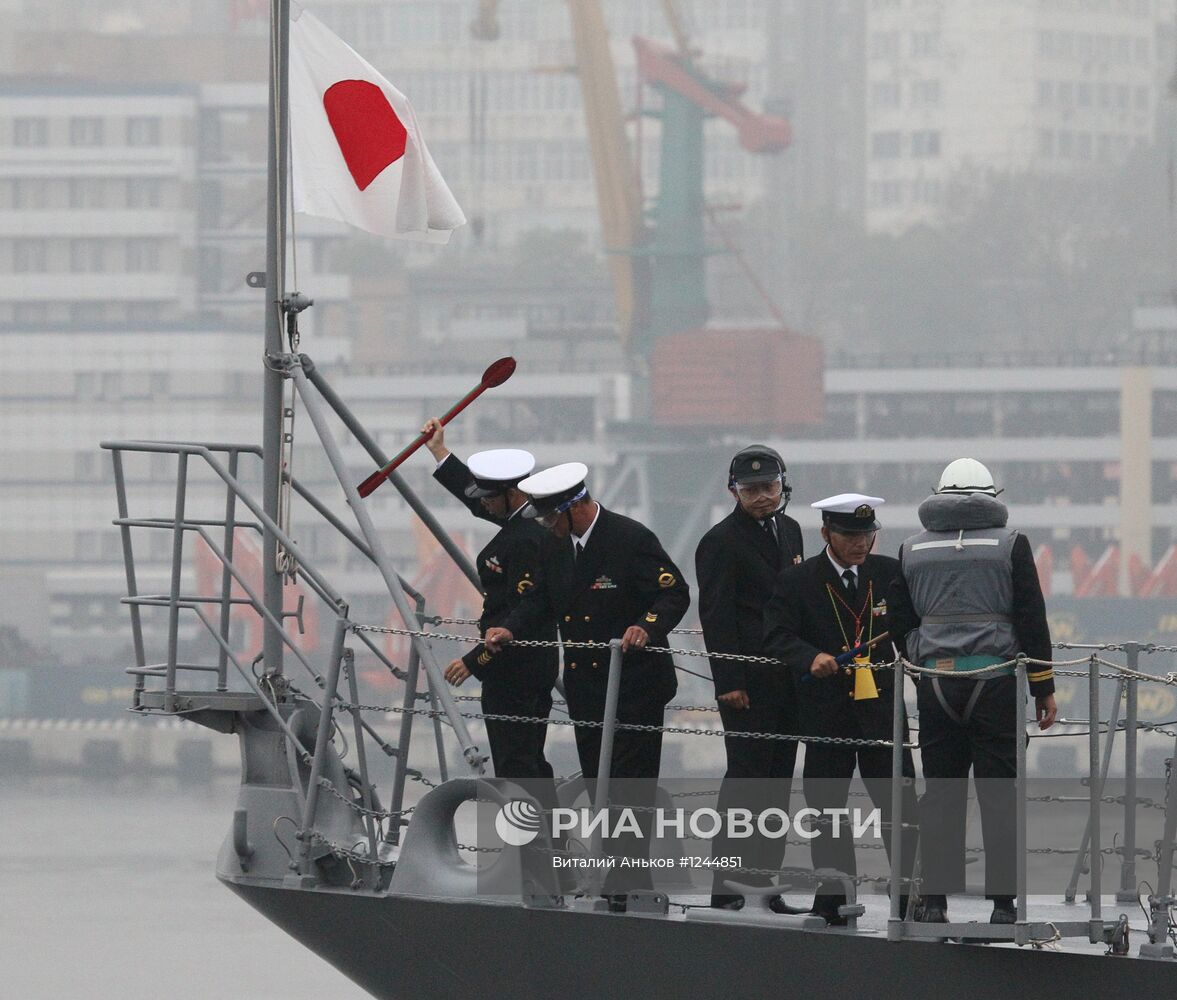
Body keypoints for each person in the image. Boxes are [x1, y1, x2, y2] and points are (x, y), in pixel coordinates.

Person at [484, 462, 690, 908]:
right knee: (602, 786)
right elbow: (538, 597)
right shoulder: (556, 548)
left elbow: (673, 593)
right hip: (587, 687)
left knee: (631, 787)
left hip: (635, 685)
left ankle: (632, 882)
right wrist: (509, 628)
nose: (544, 526)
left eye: (549, 517)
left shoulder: (629, 538)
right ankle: (610, 877)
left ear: (574, 507)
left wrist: (646, 627)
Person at [888, 458, 1056, 925]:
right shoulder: (1011, 544)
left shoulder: (910, 549)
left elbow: (899, 622)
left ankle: (936, 901)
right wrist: (1043, 687)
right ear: (991, 497)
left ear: (938, 495)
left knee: (940, 796)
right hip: (996, 682)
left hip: (937, 686)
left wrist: (924, 659)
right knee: (998, 796)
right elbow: (1031, 618)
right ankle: (1003, 905)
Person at [763, 494, 917, 925]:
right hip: (825, 712)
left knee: (899, 806)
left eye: (868, 534)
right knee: (826, 808)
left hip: (882, 711)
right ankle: (833, 895)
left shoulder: (890, 574)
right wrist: (809, 656)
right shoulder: (797, 581)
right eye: (851, 535)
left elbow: (910, 631)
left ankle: (908, 897)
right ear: (827, 533)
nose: (861, 543)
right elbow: (775, 635)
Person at [421, 418, 559, 798]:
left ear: (513, 494)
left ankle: (533, 848)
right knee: (527, 761)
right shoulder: (519, 519)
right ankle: (549, 840)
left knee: (519, 764)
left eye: (489, 496)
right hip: (518, 668)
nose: (481, 502)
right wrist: (439, 452)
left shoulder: (528, 538)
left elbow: (525, 610)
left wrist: (474, 660)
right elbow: (475, 497)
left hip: (518, 669)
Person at [695, 445, 804, 911]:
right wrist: (728, 681)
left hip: (790, 680)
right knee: (746, 780)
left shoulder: (793, 531)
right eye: (752, 489)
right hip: (747, 684)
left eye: (770, 487)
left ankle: (766, 879)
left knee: (778, 782)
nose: (763, 496)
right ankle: (728, 883)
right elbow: (717, 616)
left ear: (783, 485)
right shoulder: (720, 541)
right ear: (733, 492)